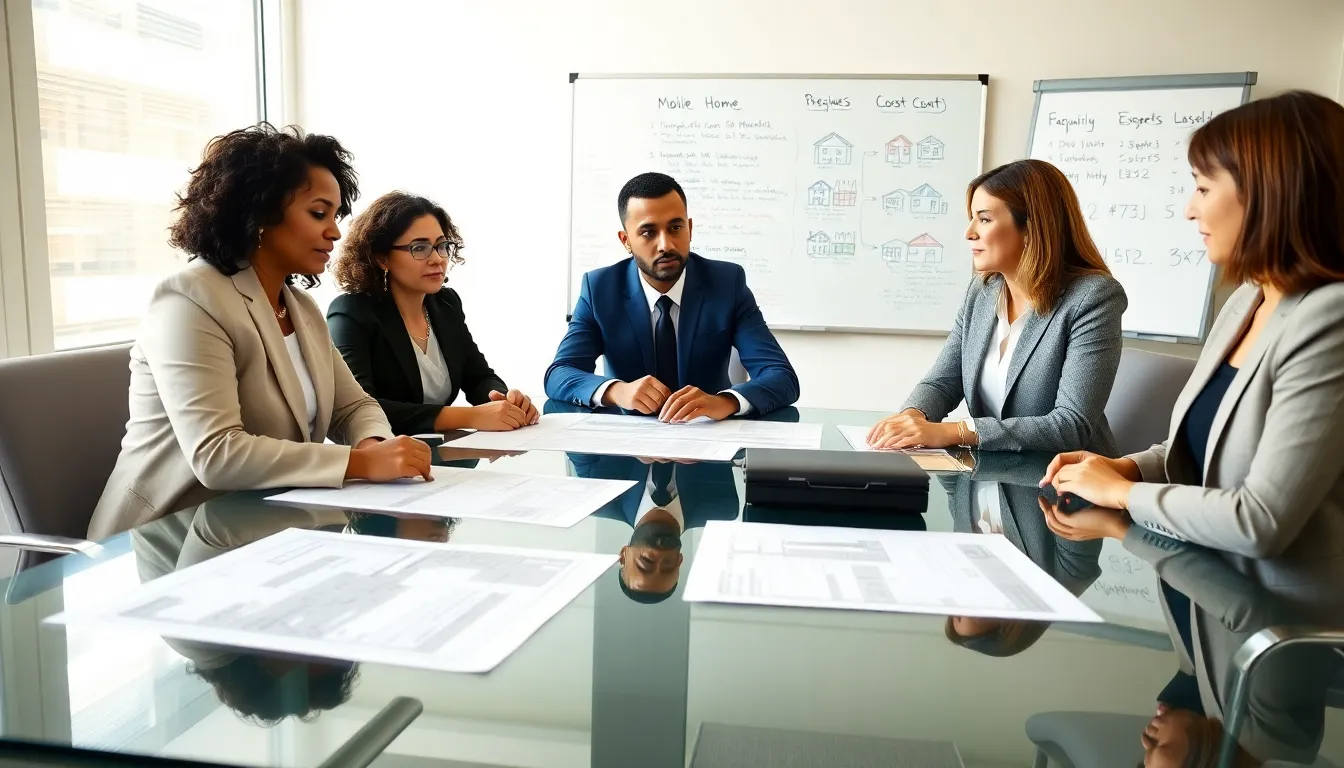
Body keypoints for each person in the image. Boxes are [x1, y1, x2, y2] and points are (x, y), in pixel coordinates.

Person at [1040, 91, 1344, 596]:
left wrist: (1121, 493)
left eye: (1202, 188)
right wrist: (1127, 466)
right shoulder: (1246, 300)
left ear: (1270, 194)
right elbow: (1205, 451)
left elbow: (1258, 521)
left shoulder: (1329, 319)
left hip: (1279, 630)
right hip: (1204, 596)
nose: (1188, 210)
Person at [90, 124, 431, 540]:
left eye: (336, 216)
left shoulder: (299, 307)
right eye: (318, 213)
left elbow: (353, 407)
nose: (336, 232)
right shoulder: (189, 299)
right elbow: (217, 454)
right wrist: (358, 465)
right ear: (261, 213)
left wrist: (372, 444)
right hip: (165, 540)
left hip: (260, 528)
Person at [866, 159, 1126, 454]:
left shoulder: (1093, 298)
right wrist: (913, 417)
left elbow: (1069, 426)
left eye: (984, 219)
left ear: (1030, 228)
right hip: (994, 476)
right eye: (972, 218)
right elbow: (943, 382)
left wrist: (955, 432)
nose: (969, 232)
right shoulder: (983, 291)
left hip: (1065, 486)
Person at [545, 172, 799, 421]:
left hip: (706, 441)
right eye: (648, 232)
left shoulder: (726, 284)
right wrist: (617, 390)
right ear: (626, 241)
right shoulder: (600, 289)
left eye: (675, 227)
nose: (666, 244)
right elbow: (559, 374)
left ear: (689, 228)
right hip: (626, 445)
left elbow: (781, 376)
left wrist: (725, 401)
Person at [326, 192, 538, 436]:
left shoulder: (446, 304)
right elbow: (359, 408)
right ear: (381, 257)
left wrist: (504, 400)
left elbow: (479, 377)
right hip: (383, 454)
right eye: (420, 248)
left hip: (444, 452)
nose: (437, 259)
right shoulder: (351, 312)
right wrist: (470, 416)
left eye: (442, 246)